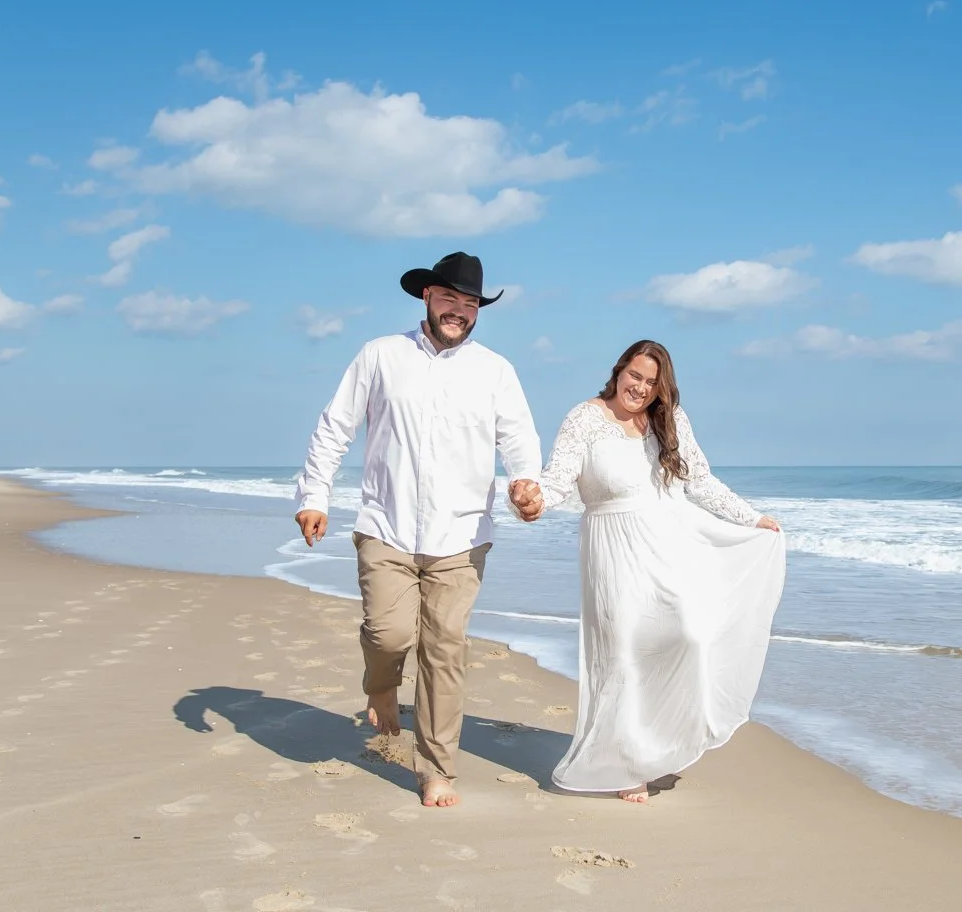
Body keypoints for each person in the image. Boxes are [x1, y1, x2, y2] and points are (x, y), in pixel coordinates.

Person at [293, 252, 545, 808]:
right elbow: (335, 426)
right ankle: (380, 685)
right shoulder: (380, 356)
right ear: (427, 297)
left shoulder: (495, 370)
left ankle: (436, 769)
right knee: (389, 635)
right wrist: (315, 496)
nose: (460, 310)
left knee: (444, 650)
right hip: (386, 523)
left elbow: (520, 440)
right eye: (450, 298)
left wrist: (527, 486)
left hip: (461, 537)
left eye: (471, 303)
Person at [520, 339, 786, 802]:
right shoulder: (586, 416)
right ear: (619, 371)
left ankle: (661, 745)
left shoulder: (671, 421)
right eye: (635, 376)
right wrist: (533, 499)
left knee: (689, 635)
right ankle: (627, 765)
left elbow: (700, 481)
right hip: (612, 549)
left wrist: (751, 518)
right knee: (623, 649)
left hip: (670, 543)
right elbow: (558, 480)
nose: (640, 388)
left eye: (651, 382)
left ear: (662, 389)